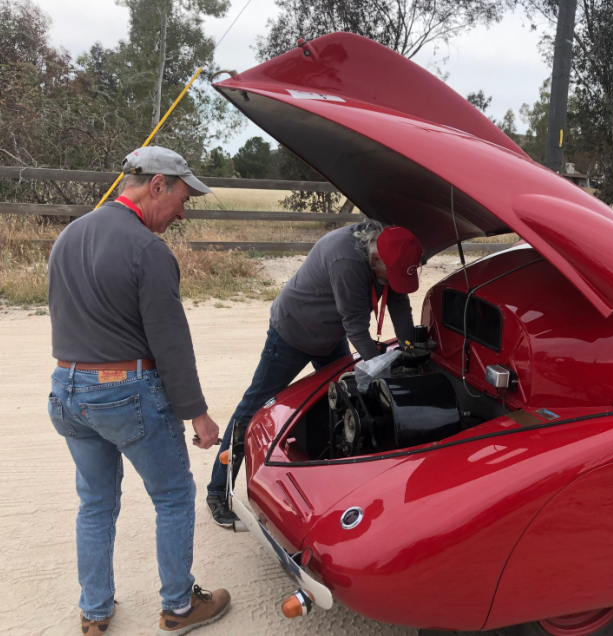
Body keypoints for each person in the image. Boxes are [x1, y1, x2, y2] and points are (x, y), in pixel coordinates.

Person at [48, 147, 231, 635]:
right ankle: (178, 606)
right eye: (183, 197)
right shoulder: (148, 250)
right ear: (157, 186)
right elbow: (171, 343)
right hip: (124, 391)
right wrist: (198, 414)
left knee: (96, 502)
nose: (182, 211)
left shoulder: (69, 235)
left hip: (66, 389)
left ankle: (95, 612)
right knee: (173, 495)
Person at [206, 221, 423, 527]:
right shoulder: (346, 261)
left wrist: (410, 349)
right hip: (293, 332)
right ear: (376, 261)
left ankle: (336, 486)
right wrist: (381, 375)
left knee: (349, 403)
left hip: (330, 335)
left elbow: (399, 303)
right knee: (252, 408)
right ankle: (217, 491)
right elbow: (357, 330)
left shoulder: (389, 249)